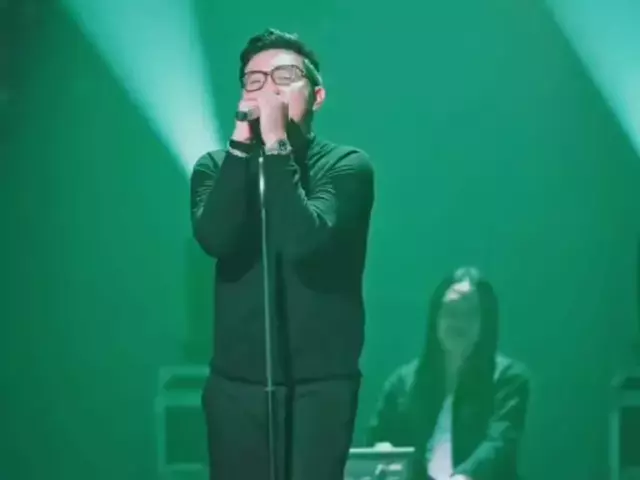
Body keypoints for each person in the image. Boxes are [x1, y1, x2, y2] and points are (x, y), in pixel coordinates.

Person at [190, 28, 375, 480]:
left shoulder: (346, 165)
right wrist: (242, 147)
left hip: (320, 387)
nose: (268, 89)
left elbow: (303, 240)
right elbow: (215, 239)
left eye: (285, 77)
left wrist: (276, 146)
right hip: (235, 386)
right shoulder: (215, 167)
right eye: (254, 80)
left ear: (318, 96)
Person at [367, 267, 530, 480]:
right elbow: (378, 439)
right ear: (436, 316)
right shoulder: (402, 382)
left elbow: (500, 442)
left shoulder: (508, 379)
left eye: (470, 313)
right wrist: (383, 452)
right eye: (451, 311)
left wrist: (465, 475)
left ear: (484, 322)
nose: (458, 322)